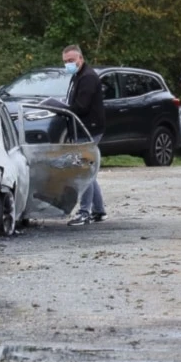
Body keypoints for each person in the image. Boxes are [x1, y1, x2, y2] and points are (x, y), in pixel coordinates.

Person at [58, 45, 107, 226]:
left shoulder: (87, 77)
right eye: (65, 61)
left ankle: (84, 212)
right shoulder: (78, 75)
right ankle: (99, 211)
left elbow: (81, 106)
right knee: (89, 172)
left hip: (89, 129)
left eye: (71, 61)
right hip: (84, 128)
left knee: (84, 171)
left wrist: (63, 109)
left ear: (80, 58)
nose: (68, 64)